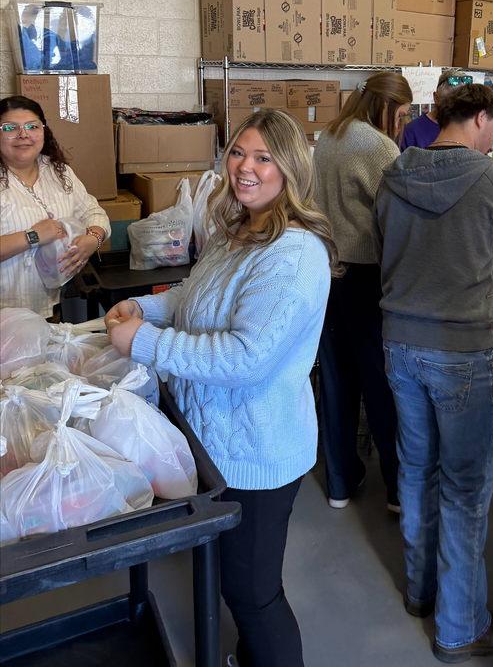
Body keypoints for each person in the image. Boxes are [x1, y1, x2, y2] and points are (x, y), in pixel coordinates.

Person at [105, 109, 337, 667]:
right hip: (216, 443)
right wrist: (146, 307)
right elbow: (195, 298)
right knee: (232, 578)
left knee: (254, 595)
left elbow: (246, 357)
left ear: (290, 168)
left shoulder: (294, 253)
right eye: (238, 152)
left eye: (263, 157)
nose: (245, 168)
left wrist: (145, 343)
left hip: (258, 452)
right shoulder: (238, 229)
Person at [373, 84, 493, 664]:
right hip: (462, 348)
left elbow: (382, 246)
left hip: (400, 345)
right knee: (465, 490)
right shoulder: (490, 179)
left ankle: (421, 592)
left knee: (416, 471)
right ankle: (460, 627)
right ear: (482, 118)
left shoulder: (394, 173)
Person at [312, 70, 413, 511]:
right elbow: (396, 213)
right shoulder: (379, 146)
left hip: (326, 271)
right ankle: (395, 490)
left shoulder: (328, 137)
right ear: (385, 107)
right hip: (368, 275)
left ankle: (340, 481)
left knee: (336, 381)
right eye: (403, 114)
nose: (403, 124)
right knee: (380, 382)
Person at [0, 95, 109, 321]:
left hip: (49, 308)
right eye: (10, 128)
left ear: (43, 131)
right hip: (5, 315)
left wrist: (93, 239)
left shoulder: (57, 172)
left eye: (32, 126)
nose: (23, 135)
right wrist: (33, 236)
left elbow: (93, 212)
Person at [400, 71, 472, 149]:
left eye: (463, 103)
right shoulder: (411, 132)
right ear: (436, 98)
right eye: (450, 102)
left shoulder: (471, 129)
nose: (457, 108)